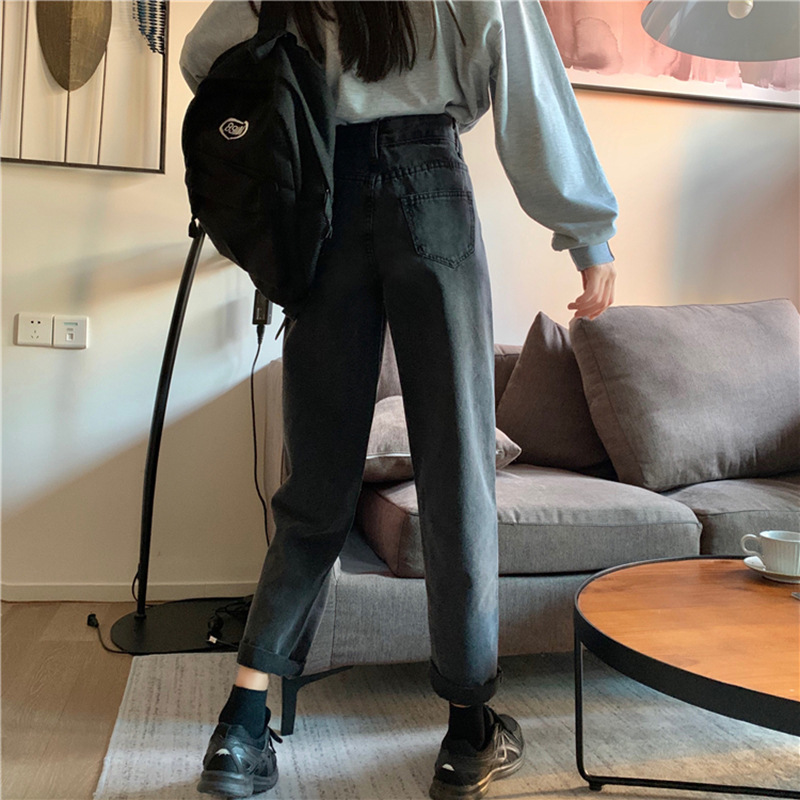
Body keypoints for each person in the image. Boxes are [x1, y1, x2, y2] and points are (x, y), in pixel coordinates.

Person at [180, 1, 618, 798]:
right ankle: (467, 734)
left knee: (317, 483)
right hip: (431, 188)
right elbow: (530, 88)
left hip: (323, 197)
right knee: (458, 478)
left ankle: (239, 731)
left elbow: (204, 57)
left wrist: (304, 100)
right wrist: (586, 234)